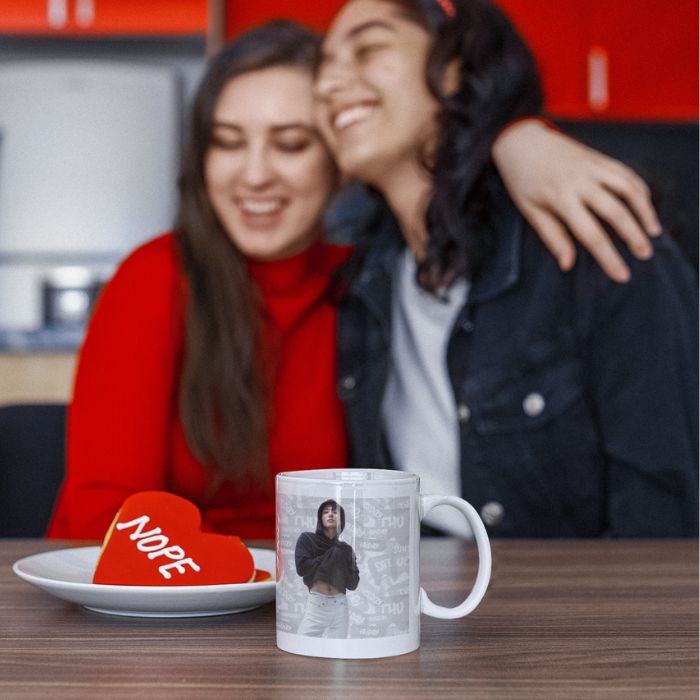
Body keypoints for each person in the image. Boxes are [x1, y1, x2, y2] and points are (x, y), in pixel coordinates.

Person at [47, 15, 665, 542]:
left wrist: (515, 135)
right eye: (228, 143)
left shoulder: (367, 281)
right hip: (158, 613)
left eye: (290, 144)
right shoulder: (157, 277)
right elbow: (104, 516)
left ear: (340, 157)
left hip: (317, 610)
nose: (253, 175)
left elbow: (442, 179)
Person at [314, 0, 698, 537]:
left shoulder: (591, 244)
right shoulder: (361, 279)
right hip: (424, 608)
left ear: (453, 68)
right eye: (323, 67)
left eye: (369, 48)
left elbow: (665, 529)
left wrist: (511, 131)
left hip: (576, 614)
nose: (329, 84)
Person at [294, 500, 359, 637]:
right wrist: (330, 555)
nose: (330, 514)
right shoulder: (307, 539)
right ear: (320, 517)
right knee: (303, 644)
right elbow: (302, 568)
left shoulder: (345, 549)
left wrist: (344, 560)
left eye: (335, 512)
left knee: (337, 652)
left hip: (340, 606)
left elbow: (353, 584)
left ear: (341, 519)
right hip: (317, 605)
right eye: (325, 512)